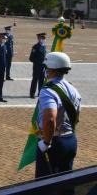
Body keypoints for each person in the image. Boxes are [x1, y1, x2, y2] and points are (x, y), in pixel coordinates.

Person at [36, 52, 81, 180]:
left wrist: (46, 142)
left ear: (50, 68)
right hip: (70, 139)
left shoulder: (49, 90)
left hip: (54, 142)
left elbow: (50, 119)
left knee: (44, 184)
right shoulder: (73, 89)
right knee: (65, 183)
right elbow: (77, 117)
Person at [29, 33, 47, 99]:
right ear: (38, 38)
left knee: (41, 80)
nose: (43, 40)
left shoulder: (44, 46)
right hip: (37, 67)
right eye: (42, 38)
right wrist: (37, 62)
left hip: (43, 67)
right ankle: (32, 93)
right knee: (35, 80)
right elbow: (31, 58)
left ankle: (40, 93)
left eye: (44, 38)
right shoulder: (35, 47)